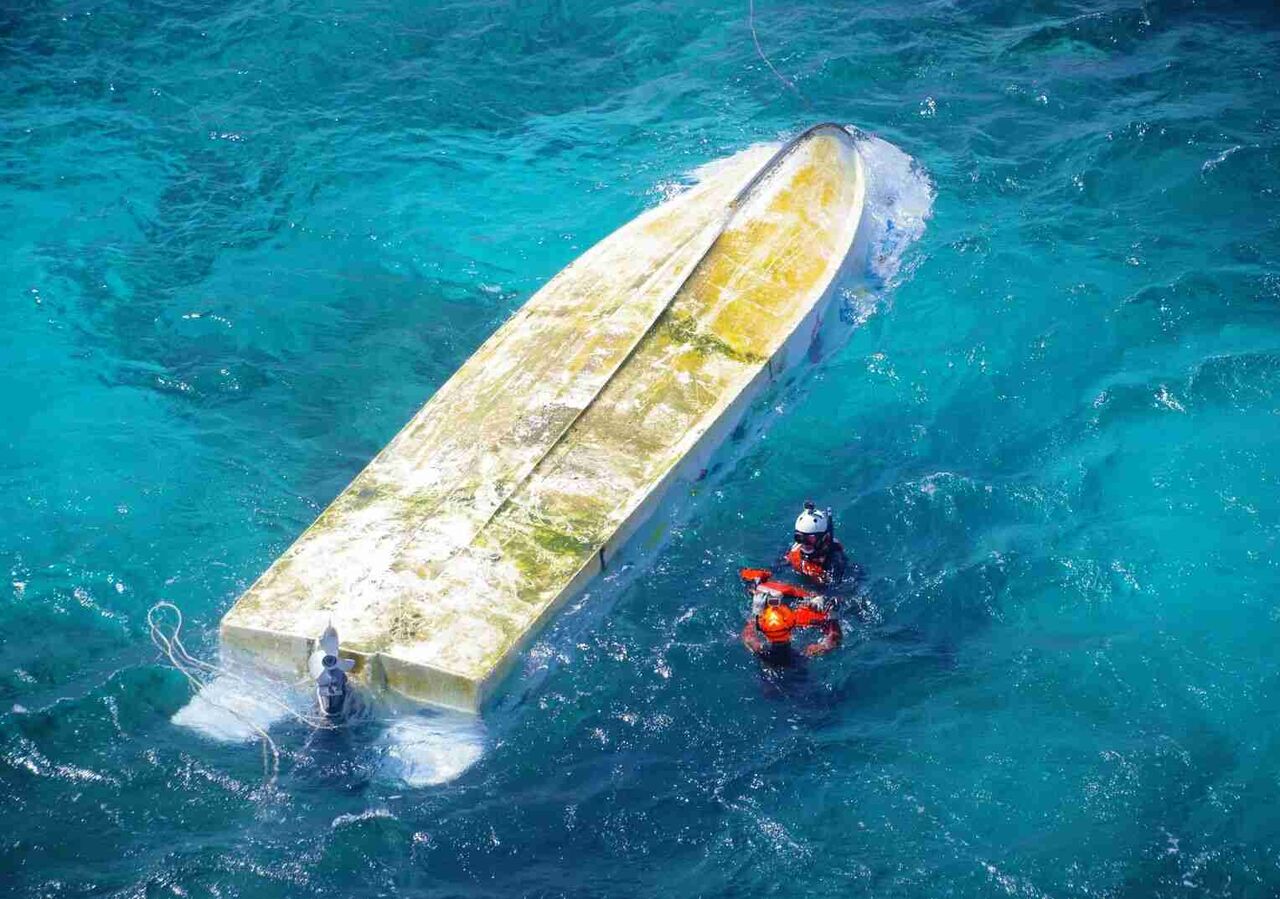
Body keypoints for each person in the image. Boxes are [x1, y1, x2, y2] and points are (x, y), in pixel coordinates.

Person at [739, 568, 841, 659]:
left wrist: (756, 614)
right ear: (792, 624)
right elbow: (832, 642)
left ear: (762, 628)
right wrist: (833, 616)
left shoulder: (759, 651)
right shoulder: (805, 654)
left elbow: (749, 637)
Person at [780, 500, 849, 587]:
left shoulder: (834, 562)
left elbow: (836, 590)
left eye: (810, 539)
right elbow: (780, 565)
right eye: (799, 537)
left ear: (823, 538)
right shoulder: (796, 548)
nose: (804, 543)